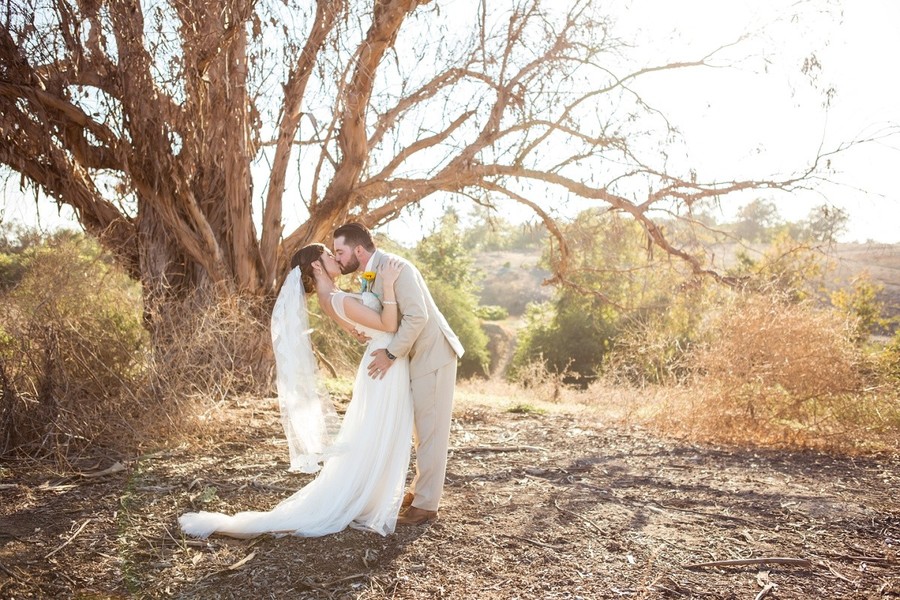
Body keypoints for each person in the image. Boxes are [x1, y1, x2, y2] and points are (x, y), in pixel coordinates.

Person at [178, 244, 413, 538]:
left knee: (376, 433)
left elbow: (363, 328)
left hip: (381, 362)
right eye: (330, 255)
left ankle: (367, 494)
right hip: (383, 366)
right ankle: (361, 496)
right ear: (316, 265)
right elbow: (389, 322)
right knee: (377, 431)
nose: (337, 259)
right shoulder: (338, 299)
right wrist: (389, 285)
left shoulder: (332, 298)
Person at [332, 223, 464, 526]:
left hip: (433, 355)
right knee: (421, 430)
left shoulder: (397, 268)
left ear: (359, 250)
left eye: (340, 251)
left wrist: (391, 354)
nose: (338, 258)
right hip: (414, 357)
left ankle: (426, 506)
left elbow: (418, 316)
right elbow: (380, 313)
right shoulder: (370, 273)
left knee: (431, 432)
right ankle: (420, 491)